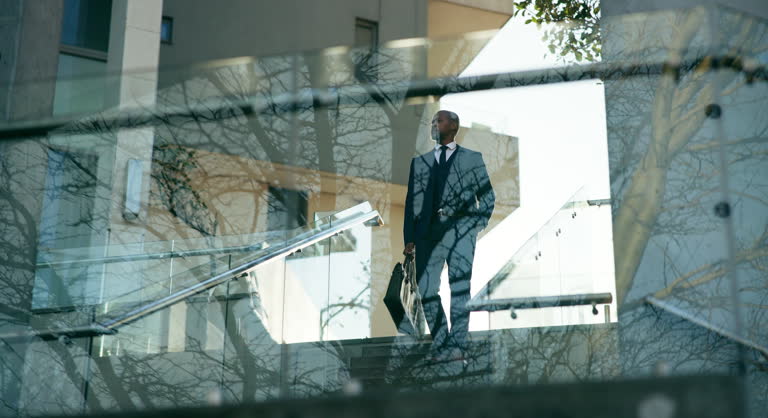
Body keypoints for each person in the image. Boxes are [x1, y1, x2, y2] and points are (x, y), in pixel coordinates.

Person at [403, 110, 495, 360]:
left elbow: (488, 196)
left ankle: (459, 344)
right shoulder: (419, 163)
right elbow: (411, 203)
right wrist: (409, 238)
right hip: (427, 236)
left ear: (453, 126)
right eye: (433, 121)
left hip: (461, 234)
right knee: (426, 289)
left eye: (439, 121)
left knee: (460, 288)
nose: (434, 124)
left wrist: (474, 226)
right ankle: (442, 341)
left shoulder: (472, 158)